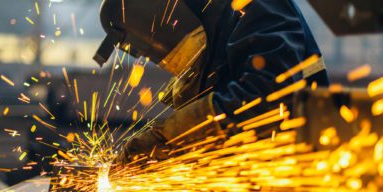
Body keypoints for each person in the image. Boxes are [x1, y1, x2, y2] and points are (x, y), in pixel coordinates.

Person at [94, 0, 329, 164]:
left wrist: (171, 138)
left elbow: (268, 98)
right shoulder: (214, 25)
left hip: (300, 164)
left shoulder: (253, 4)